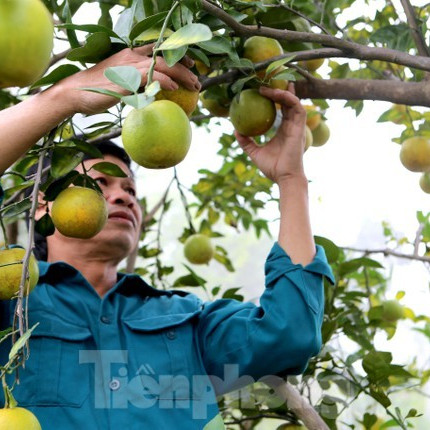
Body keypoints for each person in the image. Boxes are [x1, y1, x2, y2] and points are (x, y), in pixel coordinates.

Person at [0, 45, 334, 429]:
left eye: (130, 189)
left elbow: (289, 332)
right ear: (43, 207)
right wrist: (65, 97)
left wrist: (292, 181)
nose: (122, 195)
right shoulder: (12, 306)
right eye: (100, 184)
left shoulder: (187, 322)